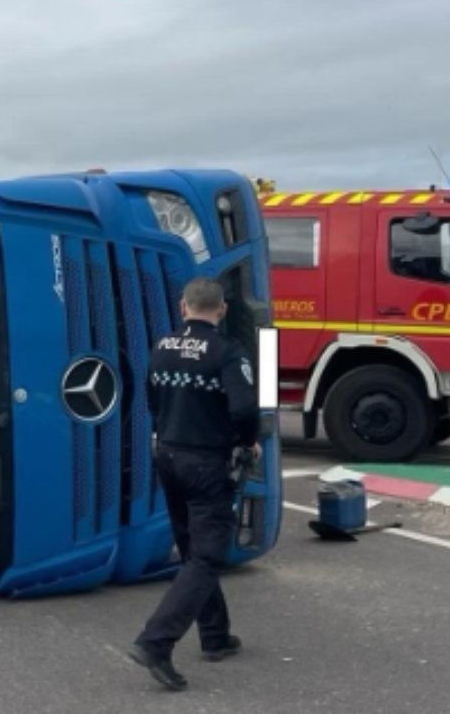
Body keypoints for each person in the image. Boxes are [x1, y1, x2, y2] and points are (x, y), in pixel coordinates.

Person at [128, 276, 261, 691]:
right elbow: (244, 408)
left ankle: (215, 635)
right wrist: (248, 442)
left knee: (192, 549)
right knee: (207, 557)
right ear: (220, 311)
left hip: (167, 455)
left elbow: (150, 398)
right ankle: (155, 642)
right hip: (206, 462)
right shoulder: (227, 351)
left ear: (183, 307)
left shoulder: (161, 347)